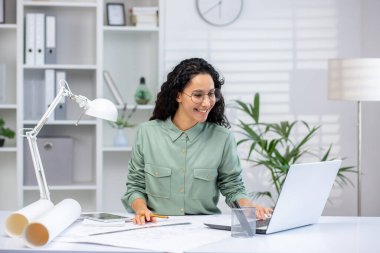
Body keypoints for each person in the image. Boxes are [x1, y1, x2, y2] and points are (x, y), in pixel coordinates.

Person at [121, 58, 272, 225]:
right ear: (178, 95)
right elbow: (135, 187)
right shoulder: (147, 133)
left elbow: (233, 187)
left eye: (211, 94)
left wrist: (249, 208)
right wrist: (142, 210)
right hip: (157, 227)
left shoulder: (222, 138)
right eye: (198, 95)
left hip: (203, 231)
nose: (207, 102)